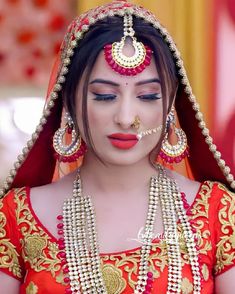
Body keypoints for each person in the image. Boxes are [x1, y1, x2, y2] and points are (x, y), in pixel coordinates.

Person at [0, 1, 235, 293]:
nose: (126, 119)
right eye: (104, 96)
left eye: (148, 96)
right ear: (70, 101)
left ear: (171, 104)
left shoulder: (217, 212)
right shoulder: (17, 216)